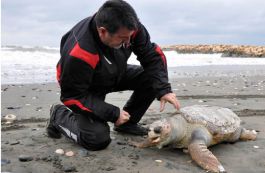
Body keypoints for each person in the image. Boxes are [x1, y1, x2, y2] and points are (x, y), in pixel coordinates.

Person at [46, 0, 180, 151]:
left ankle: (127, 124)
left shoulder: (129, 28)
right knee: (96, 139)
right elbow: (72, 96)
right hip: (85, 87)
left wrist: (163, 89)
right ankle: (58, 115)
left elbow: (152, 56)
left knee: (151, 78)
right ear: (102, 31)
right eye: (123, 38)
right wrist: (113, 113)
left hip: (113, 72)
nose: (128, 42)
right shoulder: (80, 52)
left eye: (130, 37)